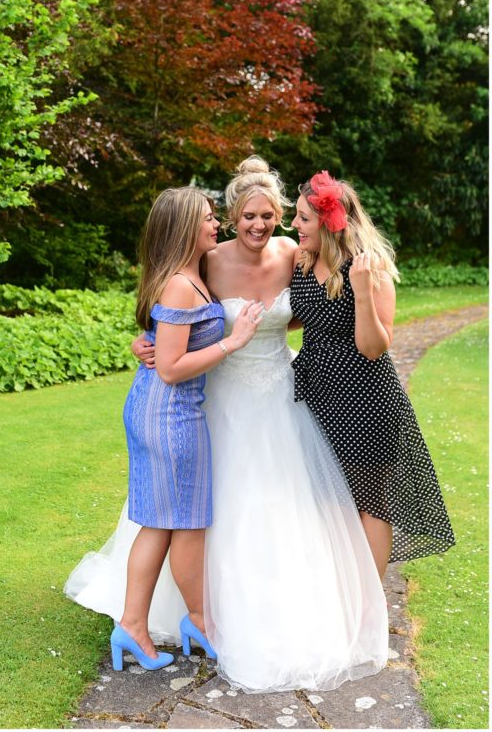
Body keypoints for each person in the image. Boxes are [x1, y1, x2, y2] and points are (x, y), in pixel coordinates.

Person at [67, 157, 389, 692]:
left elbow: (321, 299)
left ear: (282, 217)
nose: (259, 226)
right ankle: (191, 613)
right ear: (233, 216)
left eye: (268, 216)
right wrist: (144, 341)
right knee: (198, 508)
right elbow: (169, 310)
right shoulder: (207, 262)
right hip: (216, 397)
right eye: (247, 217)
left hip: (280, 396)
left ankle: (278, 604)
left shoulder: (294, 255)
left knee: (280, 501)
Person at [96, 185, 263, 672]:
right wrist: (234, 342)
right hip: (169, 412)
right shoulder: (178, 283)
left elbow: (161, 344)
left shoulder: (190, 275)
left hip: (166, 409)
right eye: (209, 218)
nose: (217, 224)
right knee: (180, 525)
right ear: (185, 227)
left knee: (171, 524)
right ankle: (172, 623)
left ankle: (166, 623)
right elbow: (170, 367)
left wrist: (141, 342)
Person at [290, 170, 455, 576]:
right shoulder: (303, 260)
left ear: (328, 223)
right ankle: (341, 596)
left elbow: (373, 347)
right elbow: (293, 317)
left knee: (369, 500)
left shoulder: (369, 267)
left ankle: (369, 609)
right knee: (329, 499)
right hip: (318, 395)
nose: (293, 225)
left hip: (365, 400)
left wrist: (361, 291)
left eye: (302, 218)